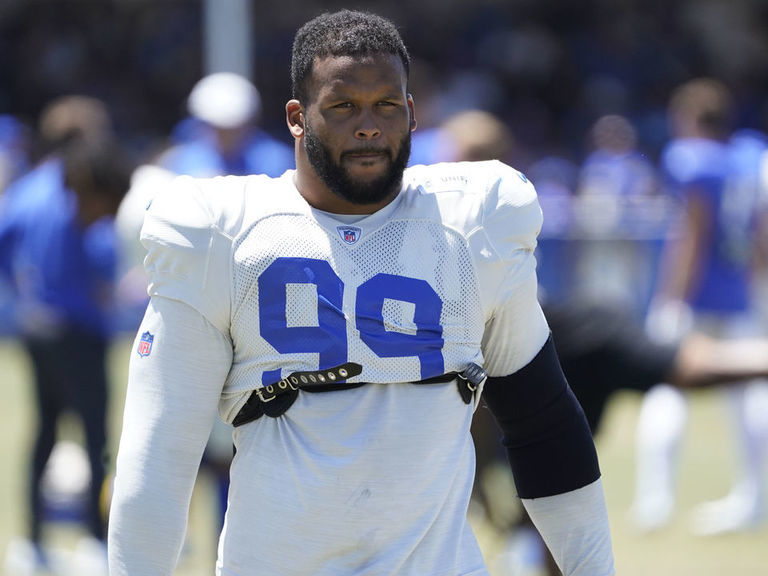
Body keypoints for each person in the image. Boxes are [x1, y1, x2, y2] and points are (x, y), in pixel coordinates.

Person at [107, 10, 615, 576]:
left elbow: (542, 423)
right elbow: (159, 455)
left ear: (413, 112)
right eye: (344, 105)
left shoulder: (474, 223)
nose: (369, 126)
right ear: (298, 118)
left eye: (387, 105)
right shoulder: (222, 236)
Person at [0, 96, 132, 572]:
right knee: (95, 434)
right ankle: (95, 541)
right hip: (81, 329)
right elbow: (101, 257)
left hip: (37, 329)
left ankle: (31, 541)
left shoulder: (26, 189)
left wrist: (19, 296)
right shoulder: (83, 186)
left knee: (41, 434)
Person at [631, 78, 768, 535]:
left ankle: (656, 501)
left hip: (697, 297)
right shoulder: (748, 159)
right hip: (739, 293)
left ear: (689, 118)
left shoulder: (691, 160)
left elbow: (693, 232)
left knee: (665, 391)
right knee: (750, 397)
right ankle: (755, 499)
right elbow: (759, 237)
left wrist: (672, 295)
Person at [157, 71, 295, 179]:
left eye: (234, 127)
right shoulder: (182, 160)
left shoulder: (276, 161)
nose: (225, 134)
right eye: (216, 127)